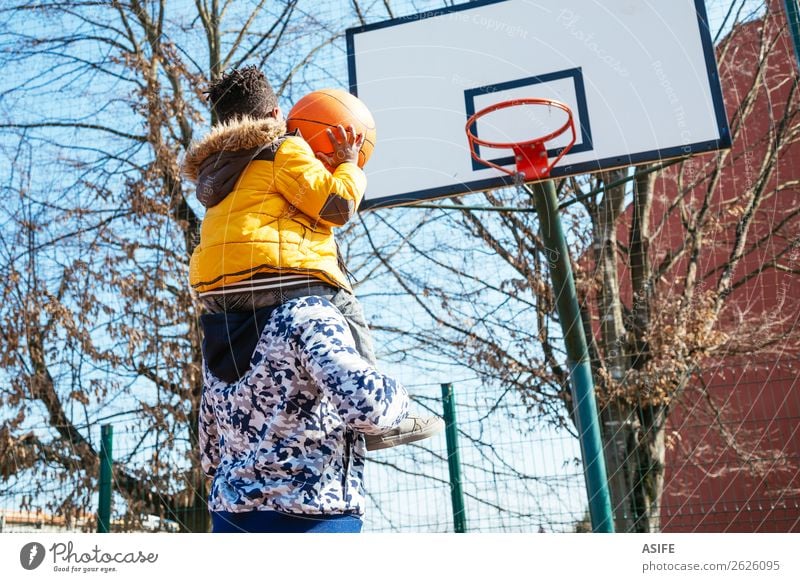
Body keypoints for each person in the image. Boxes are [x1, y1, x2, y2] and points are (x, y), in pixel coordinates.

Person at [182, 65, 442, 450]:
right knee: (345, 309)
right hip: (279, 273)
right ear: (275, 116)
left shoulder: (217, 171)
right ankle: (376, 414)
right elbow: (335, 205)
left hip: (221, 291)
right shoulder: (281, 147)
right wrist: (349, 165)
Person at [198, 295, 409, 532]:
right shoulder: (308, 315)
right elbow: (371, 409)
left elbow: (210, 457)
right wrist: (401, 398)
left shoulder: (219, 337)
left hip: (231, 520)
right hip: (313, 517)